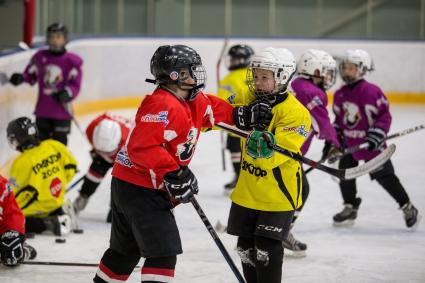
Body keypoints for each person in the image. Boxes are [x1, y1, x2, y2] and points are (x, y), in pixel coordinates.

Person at [93, 44, 272, 283]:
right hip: (140, 188)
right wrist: (173, 173)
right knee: (163, 254)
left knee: (125, 251)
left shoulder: (191, 99)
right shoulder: (161, 104)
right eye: (190, 71)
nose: (196, 75)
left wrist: (241, 115)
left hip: (133, 184)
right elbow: (141, 146)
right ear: (175, 76)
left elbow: (211, 109)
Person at [226, 47, 311, 283]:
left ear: (282, 77)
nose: (258, 82)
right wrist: (240, 114)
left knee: (265, 250)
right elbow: (218, 115)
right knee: (245, 248)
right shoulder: (246, 95)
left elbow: (270, 154)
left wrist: (257, 132)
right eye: (256, 75)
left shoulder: (296, 113)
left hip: (277, 195)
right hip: (246, 191)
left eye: (265, 77)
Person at [332, 49, 421, 229]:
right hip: (350, 144)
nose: (346, 71)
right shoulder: (340, 94)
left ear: (363, 70)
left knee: (385, 176)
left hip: (372, 145)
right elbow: (339, 120)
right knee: (346, 174)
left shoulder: (372, 92)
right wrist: (335, 138)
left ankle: (408, 207)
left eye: (351, 68)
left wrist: (378, 133)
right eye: (344, 68)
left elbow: (384, 116)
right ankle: (350, 207)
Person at [288, 49, 341, 256]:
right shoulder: (312, 92)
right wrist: (334, 143)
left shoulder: (294, 83)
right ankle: (281, 232)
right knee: (301, 190)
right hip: (287, 151)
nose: (328, 77)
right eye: (325, 72)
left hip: (273, 147)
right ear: (314, 70)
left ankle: (253, 234)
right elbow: (322, 123)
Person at [9, 23, 83, 145]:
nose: (54, 40)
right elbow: (31, 75)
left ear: (65, 39)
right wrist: (21, 78)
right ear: (47, 39)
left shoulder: (72, 62)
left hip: (62, 112)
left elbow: (75, 85)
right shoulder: (39, 57)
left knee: (60, 146)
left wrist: (67, 92)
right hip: (43, 111)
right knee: (41, 145)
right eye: (51, 37)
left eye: (58, 37)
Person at [7, 117, 78, 236]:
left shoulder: (21, 162)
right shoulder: (53, 145)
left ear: (19, 138)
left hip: (38, 208)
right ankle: (58, 211)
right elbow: (72, 167)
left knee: (10, 221)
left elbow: (13, 195)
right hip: (57, 200)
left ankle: (48, 223)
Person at [72, 113, 132, 222]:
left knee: (122, 184)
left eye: (108, 152)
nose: (105, 154)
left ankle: (117, 209)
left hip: (124, 157)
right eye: (101, 151)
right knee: (95, 171)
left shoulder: (131, 142)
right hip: (114, 151)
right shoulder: (92, 129)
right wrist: (97, 153)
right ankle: (83, 197)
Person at [218, 44, 255, 193]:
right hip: (253, 120)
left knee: (234, 149)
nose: (232, 62)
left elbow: (222, 102)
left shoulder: (229, 78)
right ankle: (247, 177)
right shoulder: (254, 73)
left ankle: (239, 177)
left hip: (234, 122)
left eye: (235, 59)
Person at [0, 174, 37, 267]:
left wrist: (14, 234)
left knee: (11, 248)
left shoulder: (1, 184)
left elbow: (13, 213)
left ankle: (22, 250)